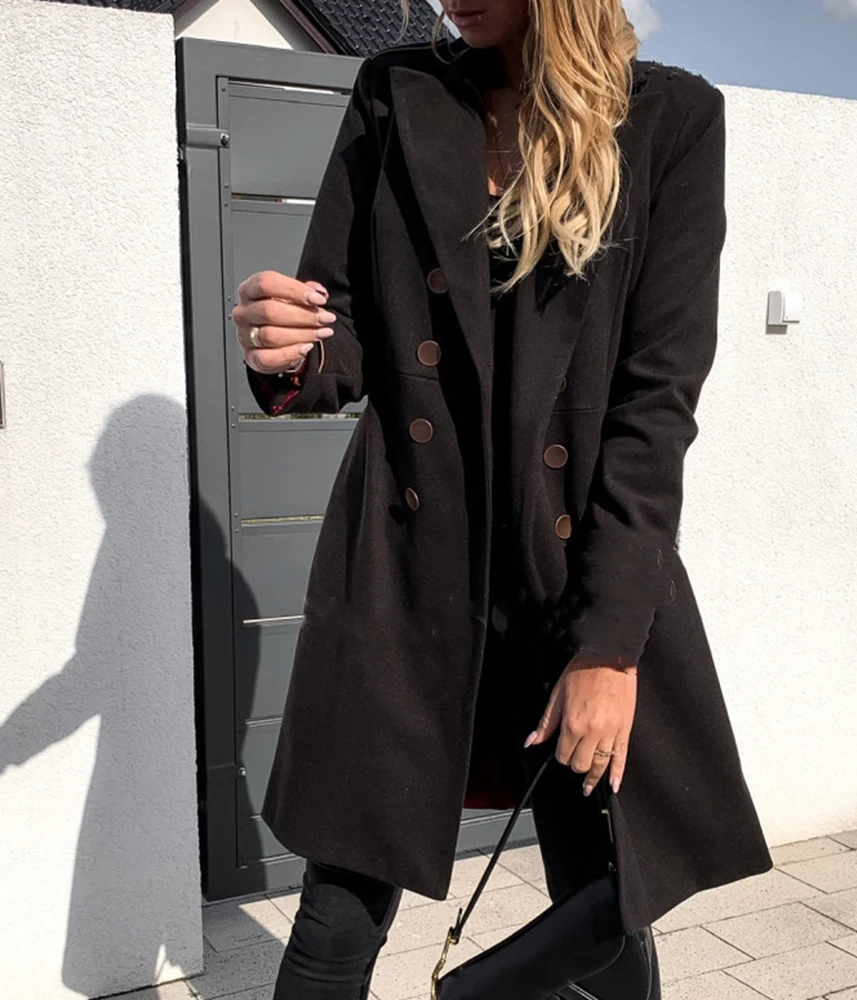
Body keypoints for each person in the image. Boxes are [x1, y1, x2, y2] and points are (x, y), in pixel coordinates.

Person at [232, 1, 773, 997]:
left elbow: (654, 412)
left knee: (600, 899)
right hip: (403, 565)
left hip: (569, 581)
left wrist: (610, 649)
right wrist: (287, 348)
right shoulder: (396, 91)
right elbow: (338, 333)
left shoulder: (673, 120)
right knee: (336, 910)